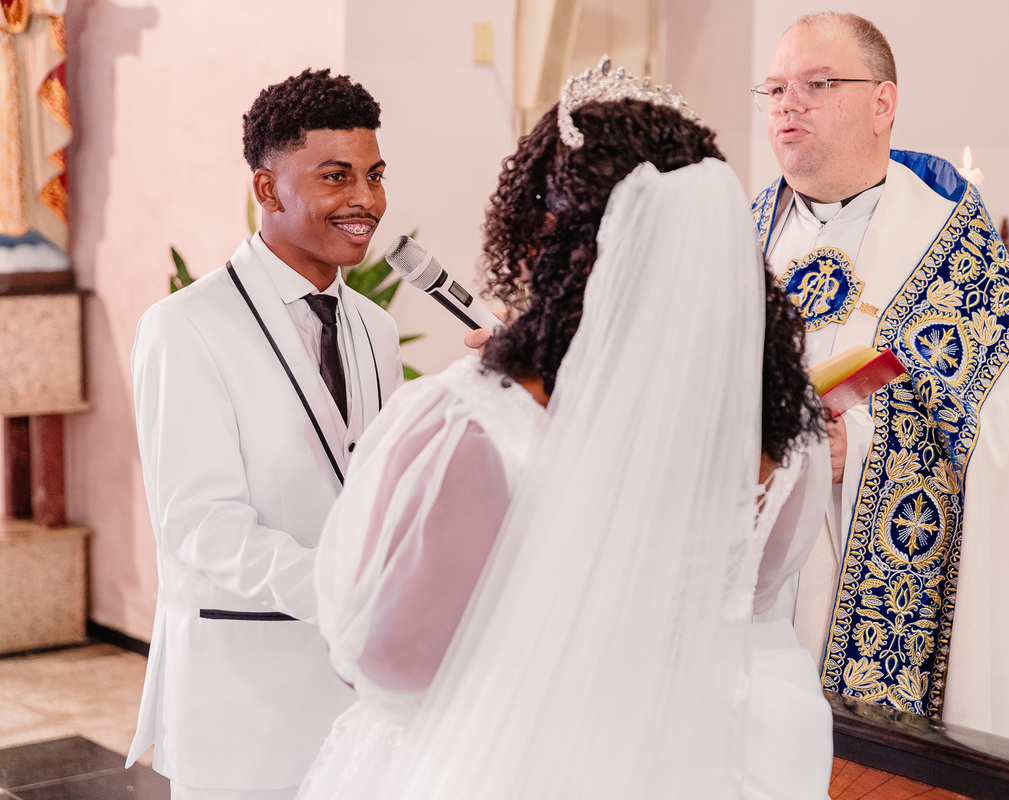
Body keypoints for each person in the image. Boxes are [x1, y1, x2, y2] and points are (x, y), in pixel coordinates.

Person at [299, 61, 834, 800]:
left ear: (544, 243)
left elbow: (388, 662)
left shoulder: (478, 426)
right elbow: (758, 588)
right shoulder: (786, 435)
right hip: (694, 764)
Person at [750, 12, 1009, 758]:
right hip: (742, 601)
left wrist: (864, 451)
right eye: (775, 87)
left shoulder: (954, 252)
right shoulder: (734, 236)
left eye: (816, 84)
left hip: (870, 607)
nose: (787, 104)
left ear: (883, 104)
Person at [126, 68, 403, 798]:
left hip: (359, 697)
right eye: (336, 177)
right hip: (246, 694)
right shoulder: (184, 329)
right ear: (267, 188)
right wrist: (343, 589)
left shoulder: (375, 329)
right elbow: (201, 527)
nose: (365, 201)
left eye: (374, 176)